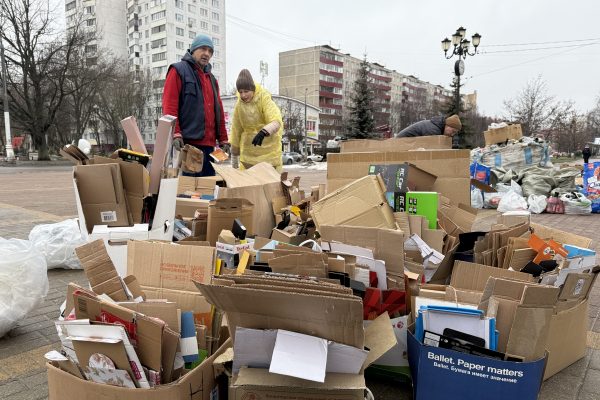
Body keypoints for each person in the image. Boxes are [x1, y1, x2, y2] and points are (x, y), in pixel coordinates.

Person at [162, 34, 228, 177]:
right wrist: (176, 133)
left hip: (210, 148)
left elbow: (219, 111)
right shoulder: (178, 71)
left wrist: (223, 139)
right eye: (203, 49)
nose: (207, 54)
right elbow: (169, 105)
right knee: (189, 191)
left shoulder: (212, 80)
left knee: (208, 190)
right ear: (193, 50)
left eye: (210, 51)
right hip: (189, 145)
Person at [229, 69, 283, 171]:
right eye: (240, 92)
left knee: (270, 184)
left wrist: (264, 132)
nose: (243, 95)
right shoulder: (239, 106)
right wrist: (234, 156)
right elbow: (236, 130)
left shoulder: (264, 98)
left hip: (269, 155)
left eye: (246, 91)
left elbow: (276, 120)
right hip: (248, 156)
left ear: (253, 89)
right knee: (248, 184)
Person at [394, 114, 462, 138]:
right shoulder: (433, 130)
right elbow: (430, 149)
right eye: (453, 131)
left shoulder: (436, 126)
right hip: (400, 143)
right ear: (448, 126)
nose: (452, 134)